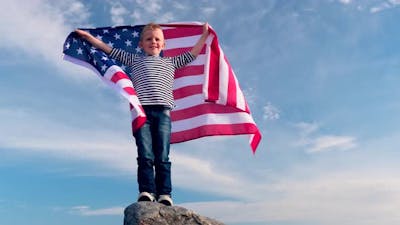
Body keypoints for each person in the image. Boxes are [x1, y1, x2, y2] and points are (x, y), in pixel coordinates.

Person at [75, 22, 209, 206]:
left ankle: (164, 194)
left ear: (163, 45)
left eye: (157, 39)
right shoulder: (134, 60)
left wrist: (204, 35)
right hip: (141, 113)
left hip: (163, 113)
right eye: (148, 39)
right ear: (140, 44)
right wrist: (89, 38)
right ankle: (147, 191)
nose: (153, 42)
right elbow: (109, 50)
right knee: (145, 154)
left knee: (162, 156)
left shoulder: (170, 62)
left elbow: (192, 55)